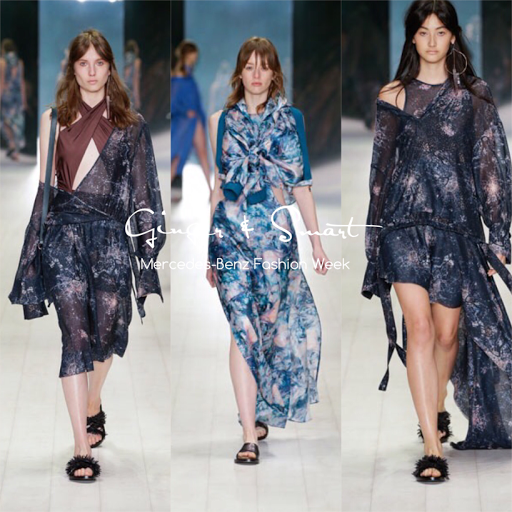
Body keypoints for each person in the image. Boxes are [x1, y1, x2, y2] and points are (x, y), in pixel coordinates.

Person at [361, 0, 512, 483]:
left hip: (456, 227)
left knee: (448, 334)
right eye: (423, 31)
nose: (431, 41)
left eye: (440, 32)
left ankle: (437, 401)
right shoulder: (393, 94)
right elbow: (380, 172)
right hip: (402, 225)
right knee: (421, 329)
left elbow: (492, 168)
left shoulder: (473, 96)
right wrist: (373, 240)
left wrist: (499, 235)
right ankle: (431, 446)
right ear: (412, 37)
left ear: (453, 36)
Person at [8, 29, 166, 481]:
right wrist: (32, 251)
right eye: (83, 63)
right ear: (72, 69)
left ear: (110, 67)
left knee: (107, 330)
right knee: (75, 337)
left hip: (110, 239)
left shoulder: (130, 125)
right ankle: (82, 447)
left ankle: (94, 400)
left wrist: (146, 254)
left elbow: (143, 194)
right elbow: (46, 189)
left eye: (99, 63)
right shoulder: (53, 120)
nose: (92, 72)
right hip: (63, 239)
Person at [207, 36, 330, 464]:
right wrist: (209, 250)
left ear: (275, 72)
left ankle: (260, 406)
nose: (256, 74)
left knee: (271, 327)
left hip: (274, 240)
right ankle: (248, 435)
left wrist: (316, 242)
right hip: (229, 235)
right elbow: (218, 187)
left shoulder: (291, 120)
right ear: (239, 73)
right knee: (242, 328)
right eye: (249, 66)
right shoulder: (220, 120)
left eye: (264, 66)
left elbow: (302, 185)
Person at [171, 40, 211, 196]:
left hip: (193, 120)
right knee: (177, 157)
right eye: (193, 55)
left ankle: (211, 190)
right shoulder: (179, 75)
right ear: (187, 55)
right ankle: (158, 195)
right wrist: (185, 111)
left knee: (201, 154)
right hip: (185, 122)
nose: (195, 58)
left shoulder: (187, 72)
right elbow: (173, 102)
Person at [0, 39, 27, 160]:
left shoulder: (2, 62)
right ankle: (15, 150)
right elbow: (21, 82)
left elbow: (1, 82)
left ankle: (11, 144)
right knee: (16, 123)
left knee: (3, 121)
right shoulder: (19, 62)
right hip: (17, 97)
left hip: (7, 95)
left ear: (3, 49)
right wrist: (24, 100)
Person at [124, 39, 141, 110]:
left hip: (121, 91)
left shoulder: (123, 59)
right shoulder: (136, 61)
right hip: (130, 92)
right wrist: (137, 99)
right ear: (135, 49)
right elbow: (135, 80)